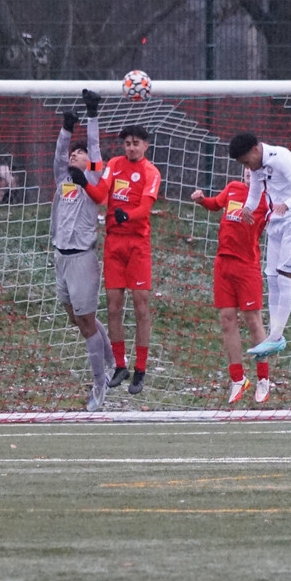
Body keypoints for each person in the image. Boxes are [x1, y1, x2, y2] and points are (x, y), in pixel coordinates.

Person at [82, 124, 161, 394]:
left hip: (138, 245)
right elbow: (102, 193)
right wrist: (83, 182)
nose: (131, 147)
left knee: (141, 307)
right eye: (127, 143)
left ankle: (140, 368)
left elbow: (145, 208)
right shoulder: (114, 164)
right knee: (113, 306)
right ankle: (120, 365)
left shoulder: (151, 172)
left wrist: (128, 215)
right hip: (114, 244)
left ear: (145, 145)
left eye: (135, 142)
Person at [52, 90, 116, 410]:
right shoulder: (63, 180)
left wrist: (92, 114)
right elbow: (60, 153)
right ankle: (115, 361)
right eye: (72, 154)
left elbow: (95, 149)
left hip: (82, 258)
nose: (74, 156)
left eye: (79, 153)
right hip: (60, 259)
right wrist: (66, 128)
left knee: (86, 322)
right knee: (78, 320)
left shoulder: (91, 177)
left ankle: (99, 385)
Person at [228, 133, 291, 360]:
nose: (247, 167)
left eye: (246, 161)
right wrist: (247, 207)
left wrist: (287, 204)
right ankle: (273, 337)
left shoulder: (281, 156)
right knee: (272, 276)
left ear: (256, 149)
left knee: (285, 276)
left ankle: (276, 336)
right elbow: (255, 193)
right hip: (275, 223)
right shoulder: (256, 168)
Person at [190, 170, 272, 403]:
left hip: (247, 266)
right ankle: (238, 378)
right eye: (247, 169)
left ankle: (263, 379)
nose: (249, 173)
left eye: (254, 170)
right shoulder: (233, 187)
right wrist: (201, 199)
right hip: (223, 263)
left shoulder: (267, 199)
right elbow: (215, 204)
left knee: (253, 320)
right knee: (227, 318)